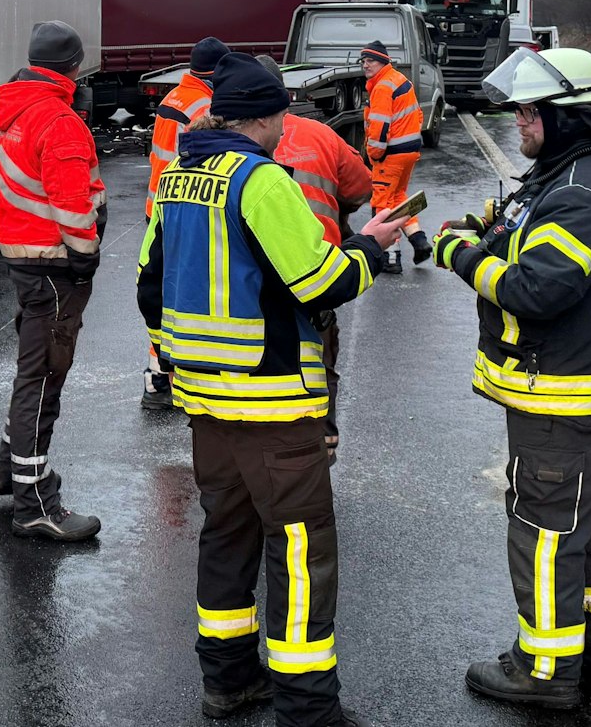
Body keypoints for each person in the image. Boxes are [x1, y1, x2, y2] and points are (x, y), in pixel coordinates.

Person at [138, 51, 404, 727]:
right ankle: (308, 708)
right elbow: (320, 283)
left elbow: (148, 287)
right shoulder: (260, 181)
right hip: (276, 403)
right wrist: (370, 246)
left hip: (203, 405)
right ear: (270, 118)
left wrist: (191, 356)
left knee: (226, 535)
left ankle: (227, 682)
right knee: (299, 550)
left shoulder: (177, 178)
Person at [428, 47, 591, 711]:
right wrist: (489, 231)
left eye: (531, 110)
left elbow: (538, 288)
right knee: (590, 524)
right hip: (578, 399)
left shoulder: (581, 191)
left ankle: (546, 669)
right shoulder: (572, 175)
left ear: (568, 117)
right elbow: (531, 240)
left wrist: (462, 255)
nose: (519, 119)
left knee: (546, 532)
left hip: (561, 398)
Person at [0, 21, 108, 542]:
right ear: (74, 67)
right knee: (41, 381)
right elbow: (72, 204)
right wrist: (87, 257)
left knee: (32, 372)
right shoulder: (58, 120)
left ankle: (6, 470)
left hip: (25, 259)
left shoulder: (12, 108)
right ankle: (34, 503)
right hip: (56, 266)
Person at [259, 56, 372, 461]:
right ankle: (321, 441)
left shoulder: (219, 142)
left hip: (250, 278)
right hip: (316, 271)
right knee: (319, 359)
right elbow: (360, 188)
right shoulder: (322, 136)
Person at [142, 36, 227, 410]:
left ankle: (156, 374)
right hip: (180, 207)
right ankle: (169, 376)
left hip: (158, 205)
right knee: (181, 296)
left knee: (159, 291)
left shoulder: (175, 96)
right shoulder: (205, 105)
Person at [359, 40, 432, 266]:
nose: (365, 65)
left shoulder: (382, 87)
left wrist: (375, 154)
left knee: (381, 205)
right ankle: (420, 241)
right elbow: (418, 116)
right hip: (408, 152)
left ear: (383, 62)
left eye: (370, 60)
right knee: (398, 198)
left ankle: (389, 257)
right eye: (363, 60)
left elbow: (379, 126)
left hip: (389, 155)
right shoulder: (399, 80)